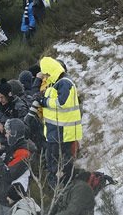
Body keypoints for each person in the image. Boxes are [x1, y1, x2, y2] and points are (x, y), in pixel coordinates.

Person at [39, 56, 82, 188]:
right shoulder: (57, 82)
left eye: (46, 74)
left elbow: (61, 102)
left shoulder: (64, 83)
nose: (45, 77)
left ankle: (62, 189)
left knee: (59, 165)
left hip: (63, 133)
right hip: (56, 132)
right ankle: (60, 188)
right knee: (56, 164)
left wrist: (44, 102)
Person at [0, 119, 33, 215]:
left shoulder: (24, 152)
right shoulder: (17, 145)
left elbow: (8, 175)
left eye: (8, 132)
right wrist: (2, 148)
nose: (6, 135)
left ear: (14, 134)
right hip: (5, 195)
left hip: (12, 198)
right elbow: (12, 154)